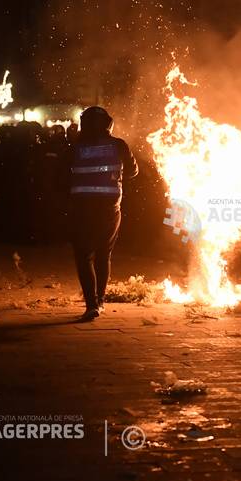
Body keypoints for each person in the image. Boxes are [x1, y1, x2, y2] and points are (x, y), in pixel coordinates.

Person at [68, 106, 138, 321]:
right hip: (110, 208)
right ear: (108, 123)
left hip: (81, 208)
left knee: (84, 256)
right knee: (103, 255)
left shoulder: (74, 148)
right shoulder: (118, 145)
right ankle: (100, 301)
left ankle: (91, 305)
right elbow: (133, 172)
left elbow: (59, 176)